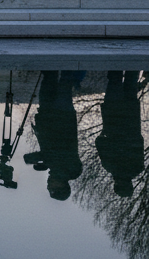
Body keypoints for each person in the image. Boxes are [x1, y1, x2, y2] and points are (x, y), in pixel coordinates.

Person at [25, 70, 84, 200]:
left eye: (49, 187)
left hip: (47, 117)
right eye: (52, 187)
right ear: (62, 186)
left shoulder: (56, 167)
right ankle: (68, 56)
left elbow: (53, 155)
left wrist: (45, 163)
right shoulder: (73, 171)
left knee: (49, 78)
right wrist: (43, 160)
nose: (48, 184)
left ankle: (53, 59)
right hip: (62, 117)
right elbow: (59, 152)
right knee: (65, 81)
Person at [95, 70, 144, 197]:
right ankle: (117, 61)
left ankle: (133, 60)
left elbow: (140, 142)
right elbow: (100, 143)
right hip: (113, 120)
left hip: (131, 120)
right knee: (114, 81)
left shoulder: (137, 168)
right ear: (117, 184)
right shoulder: (110, 166)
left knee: (130, 84)